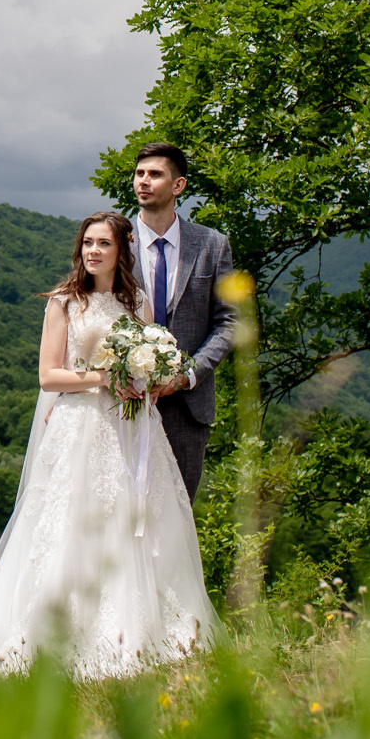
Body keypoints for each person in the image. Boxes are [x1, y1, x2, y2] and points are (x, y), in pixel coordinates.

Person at [0, 211, 216, 680]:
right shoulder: (64, 303)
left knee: (140, 527)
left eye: (103, 244)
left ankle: (150, 634)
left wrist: (146, 380)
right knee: (72, 526)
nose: (92, 251)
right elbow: (49, 375)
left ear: (121, 251)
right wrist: (105, 380)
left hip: (134, 430)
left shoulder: (139, 304)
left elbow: (146, 368)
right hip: (81, 427)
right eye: (87, 243)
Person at [129, 142, 237, 502]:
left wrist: (187, 375)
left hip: (188, 409)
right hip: (123, 401)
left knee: (176, 521)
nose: (143, 181)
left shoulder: (212, 245)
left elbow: (228, 322)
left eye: (155, 174)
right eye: (140, 173)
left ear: (178, 186)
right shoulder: (114, 242)